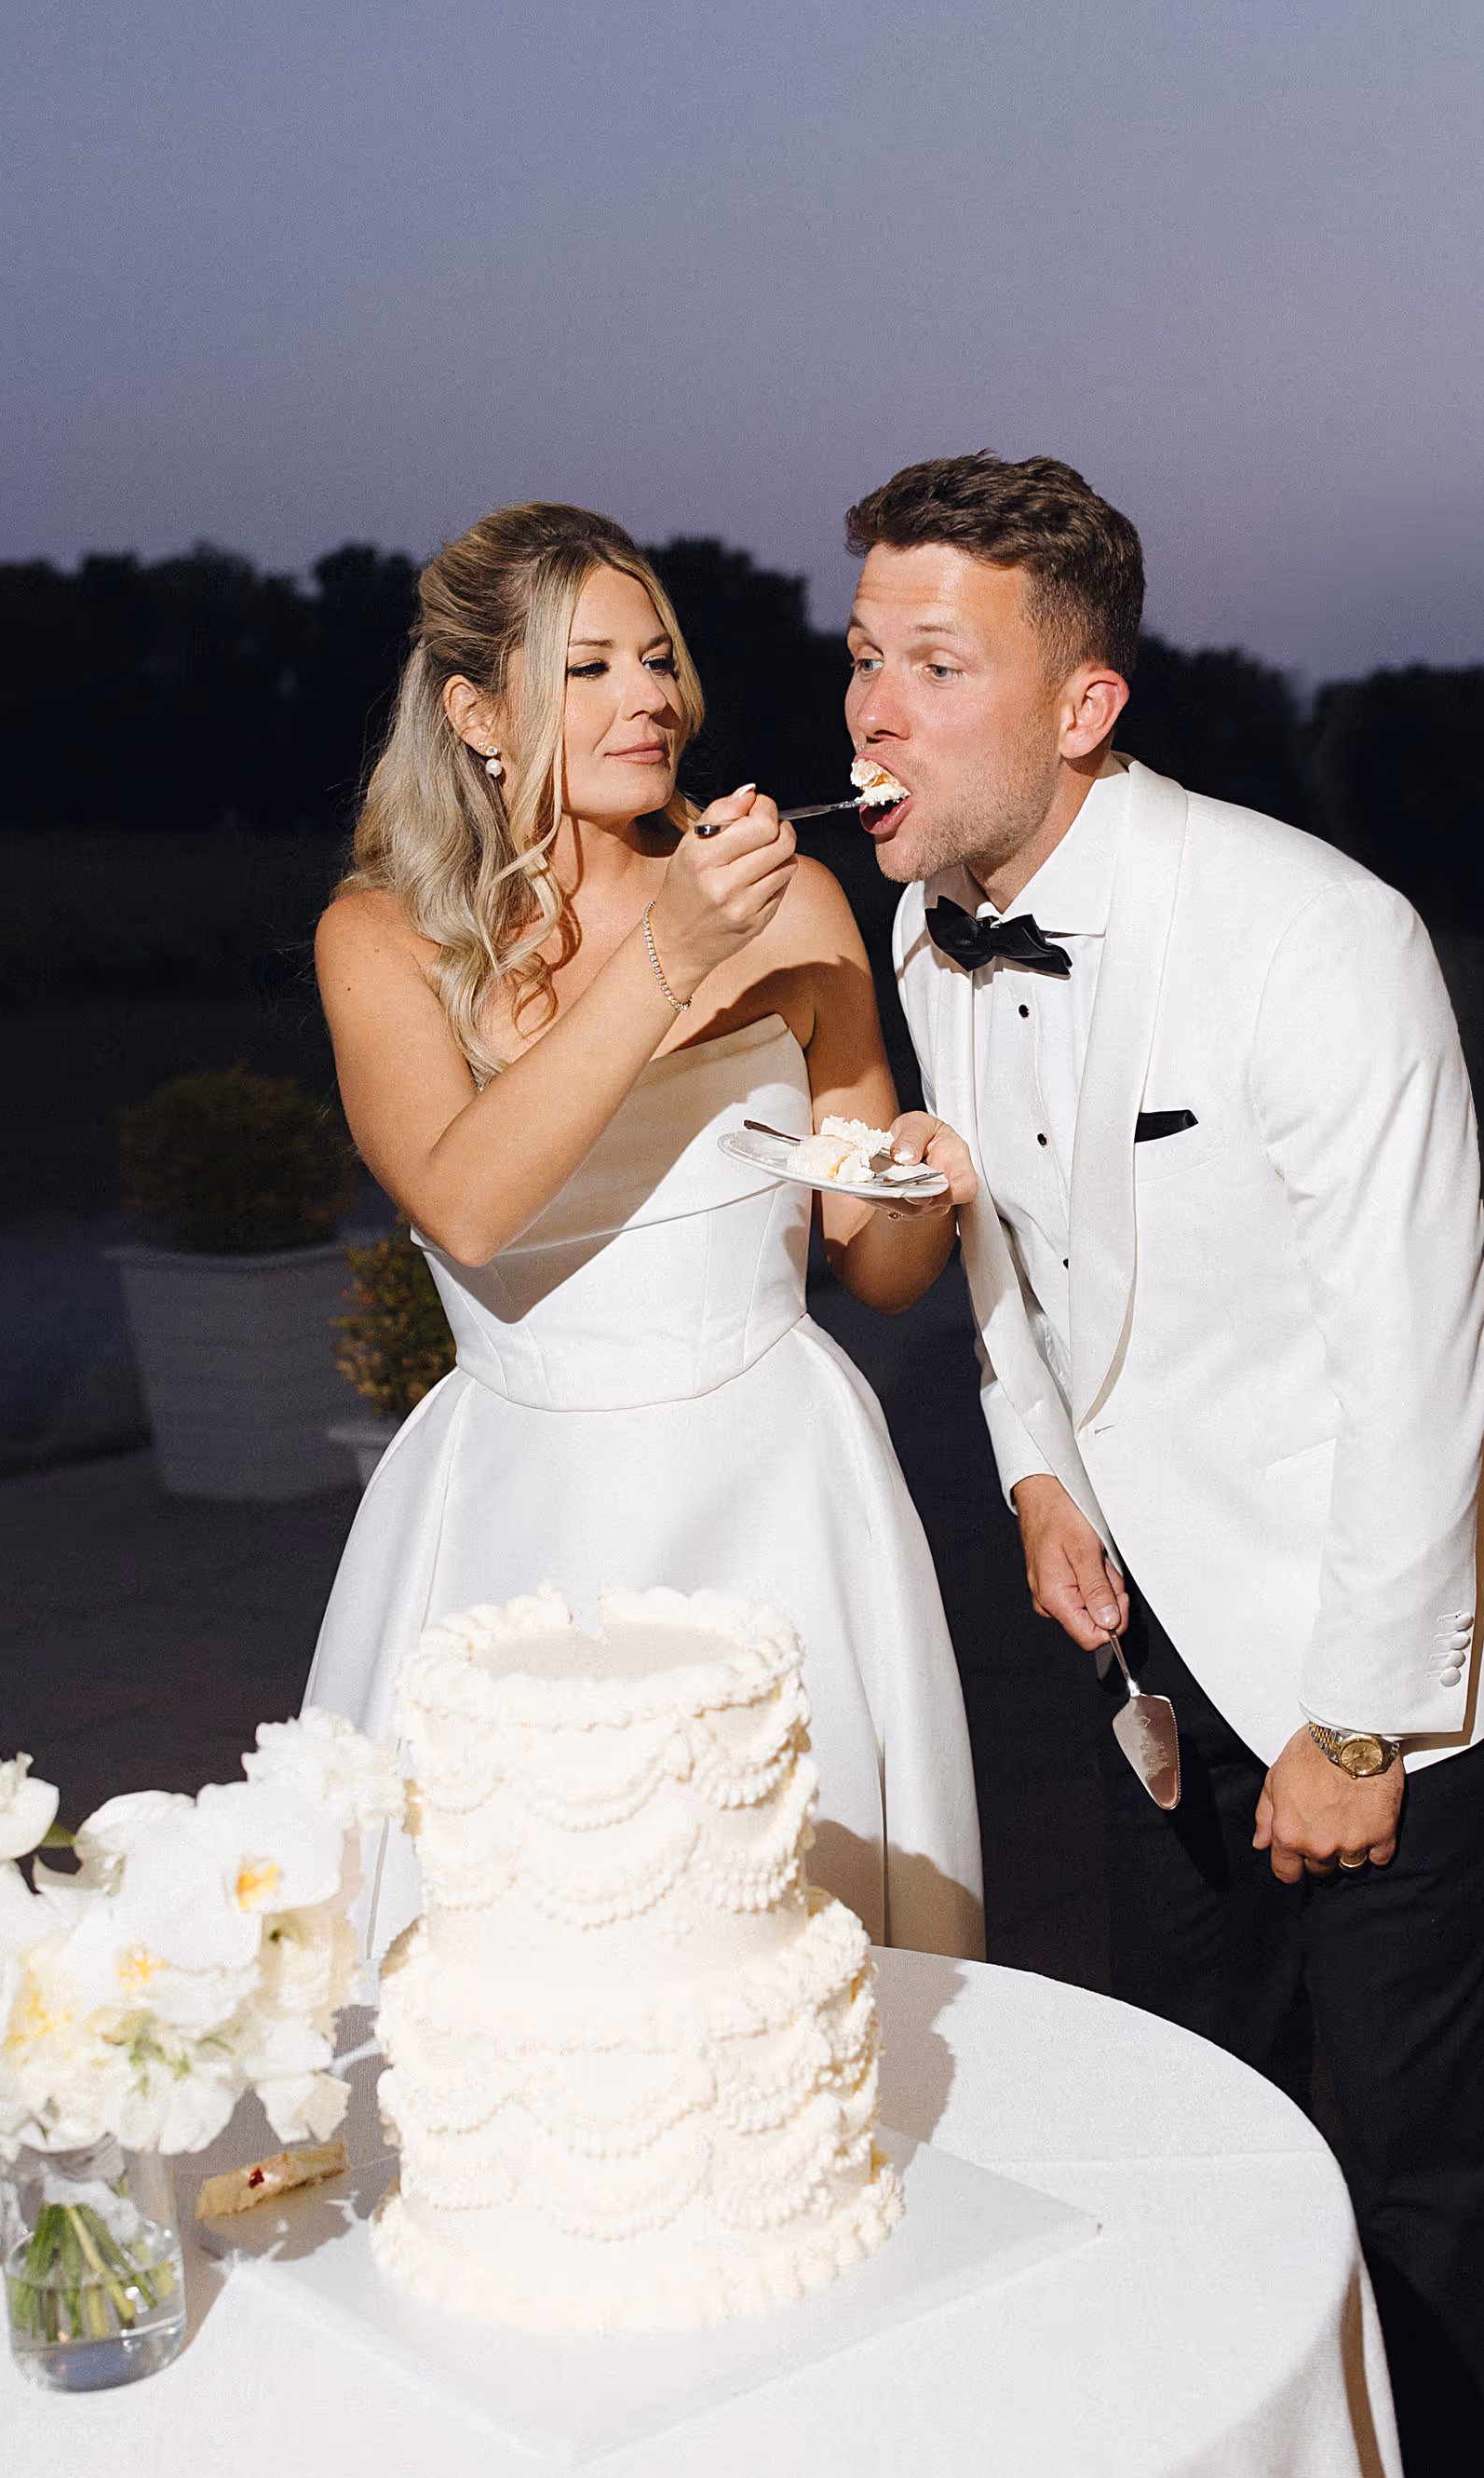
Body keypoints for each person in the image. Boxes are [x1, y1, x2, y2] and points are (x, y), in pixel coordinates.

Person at [849, 451, 1484, 2478]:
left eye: (932, 664)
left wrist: (1356, 1724)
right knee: (1187, 2118)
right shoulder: (925, 927)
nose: (871, 709)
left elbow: (1417, 1356)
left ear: (1083, 707)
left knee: (1420, 2177)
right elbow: (999, 1254)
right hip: (1149, 1634)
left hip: (1392, 1635)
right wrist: (1036, 1470)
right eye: (862, 654)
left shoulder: (1312, 931)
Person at [304, 500, 982, 1960]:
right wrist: (673, 950)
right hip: (523, 1507)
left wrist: (928, 1182)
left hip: (781, 1488)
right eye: (592, 666)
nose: (651, 698)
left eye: (659, 658)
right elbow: (467, 1206)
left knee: (781, 1945)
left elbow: (879, 1267)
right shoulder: (383, 938)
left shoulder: (795, 902)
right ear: (479, 713)